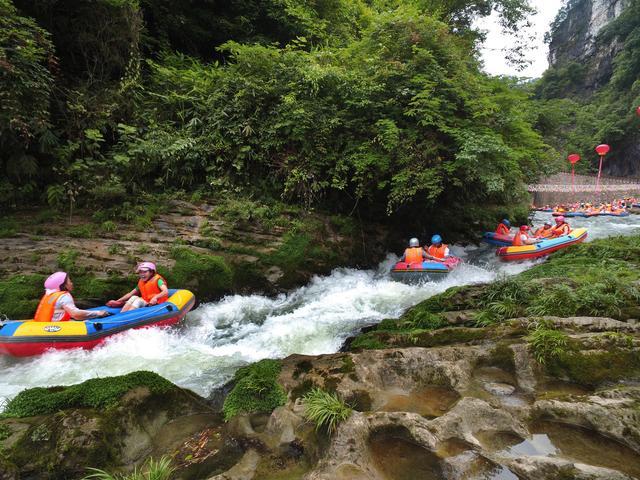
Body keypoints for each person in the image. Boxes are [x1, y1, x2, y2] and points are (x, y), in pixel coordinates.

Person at [34, 272, 108, 322]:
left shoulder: (49, 294)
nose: (72, 283)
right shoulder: (64, 296)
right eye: (69, 281)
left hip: (43, 326)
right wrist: (97, 313)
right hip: (55, 329)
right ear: (63, 285)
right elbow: (76, 314)